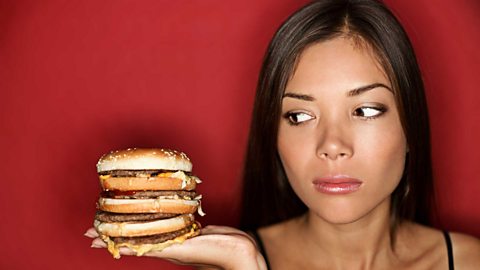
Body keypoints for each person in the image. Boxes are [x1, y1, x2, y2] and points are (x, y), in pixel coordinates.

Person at [85, 0, 480, 268]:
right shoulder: (231, 262)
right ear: (272, 137)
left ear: (410, 125)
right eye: (299, 116)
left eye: (365, 110)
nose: (332, 146)